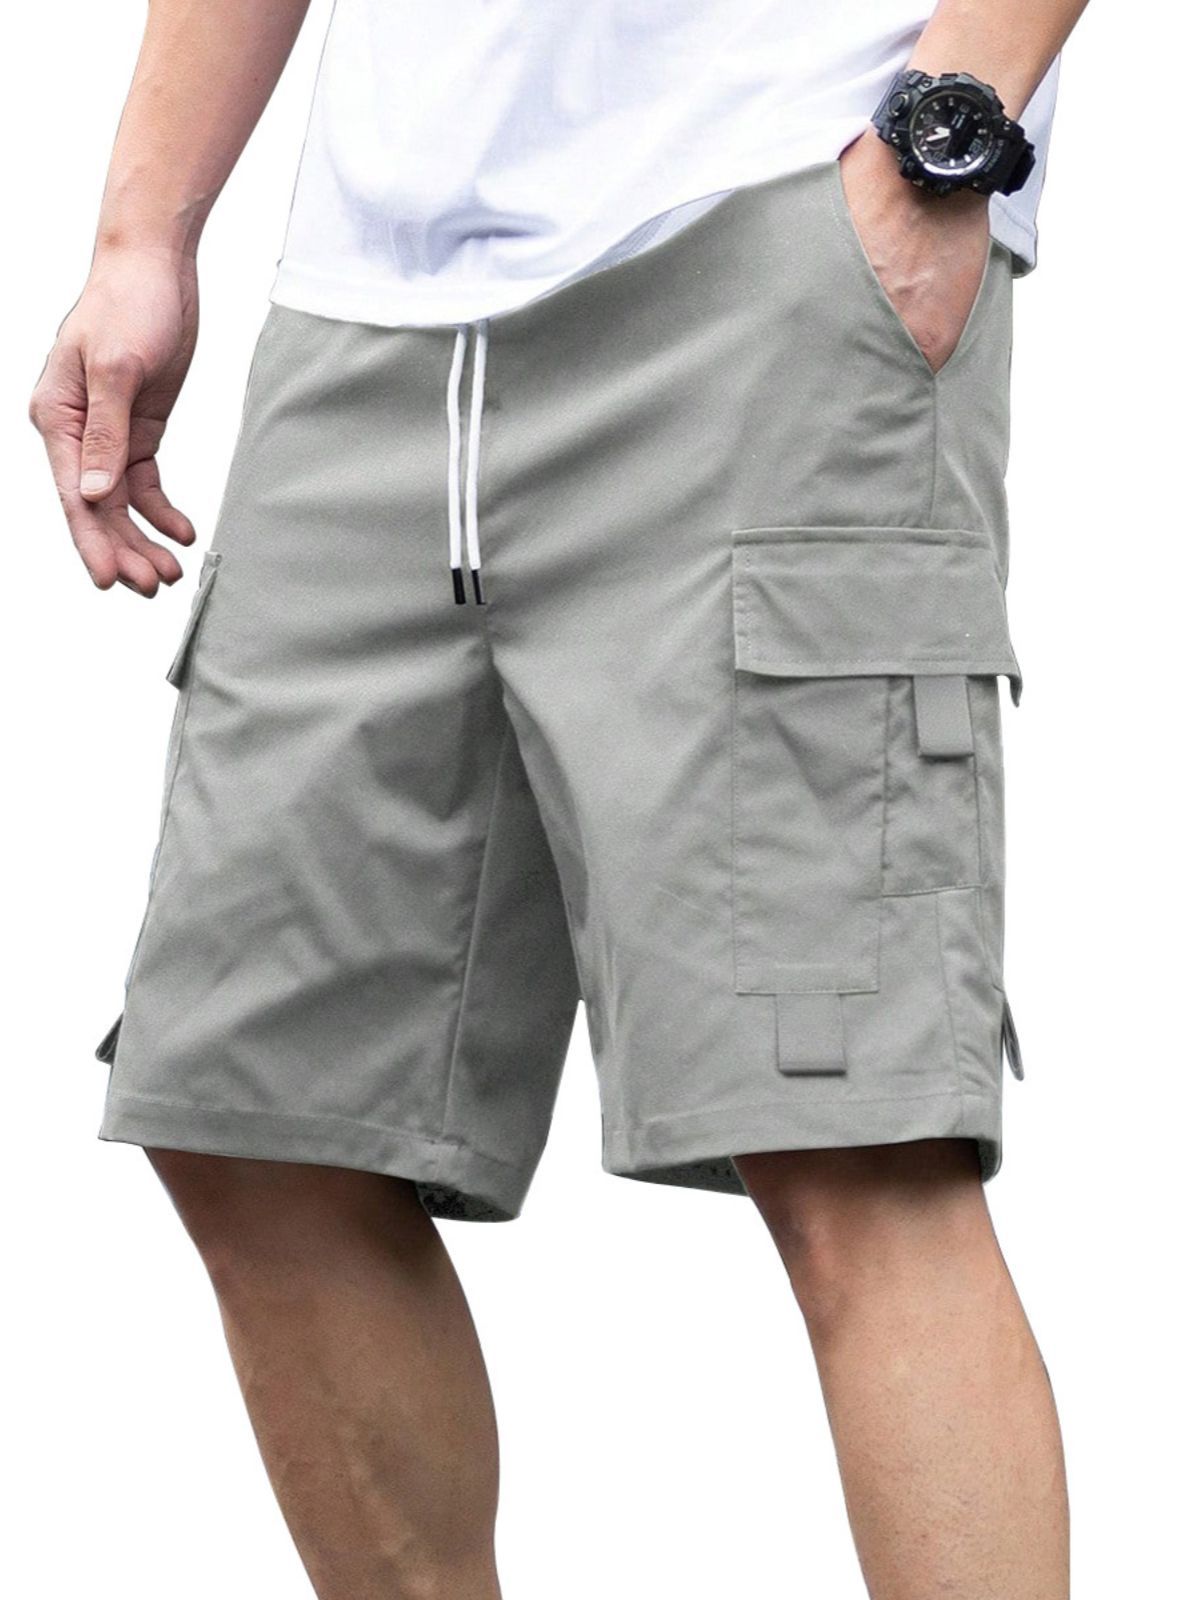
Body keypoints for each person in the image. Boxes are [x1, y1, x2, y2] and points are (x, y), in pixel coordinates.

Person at [32, 2, 1087, 1595]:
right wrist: (142, 233)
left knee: (852, 1137)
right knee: (253, 1109)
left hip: (773, 228)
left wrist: (949, 132)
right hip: (370, 304)